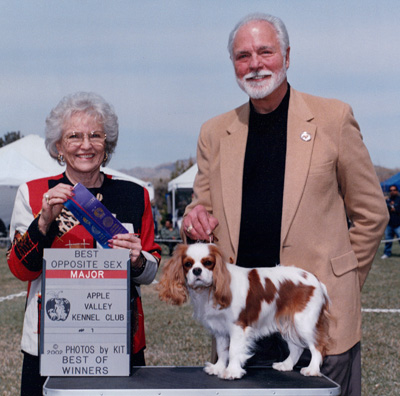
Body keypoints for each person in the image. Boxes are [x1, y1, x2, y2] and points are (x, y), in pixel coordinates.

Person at [182, 13, 388, 396]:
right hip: (242, 313)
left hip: (309, 308)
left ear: (287, 56)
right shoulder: (214, 132)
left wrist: (340, 281)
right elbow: (202, 206)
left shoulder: (333, 118)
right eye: (243, 56)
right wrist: (192, 218)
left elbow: (372, 213)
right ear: (233, 65)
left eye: (265, 52)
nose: (255, 64)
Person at [7, 92, 161, 396]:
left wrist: (138, 260)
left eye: (95, 136)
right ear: (59, 146)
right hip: (49, 342)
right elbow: (20, 269)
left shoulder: (134, 194)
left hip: (119, 340)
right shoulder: (35, 192)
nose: (86, 145)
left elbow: (151, 268)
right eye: (74, 136)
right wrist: (43, 224)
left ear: (108, 144)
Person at [381, 185, 400, 259]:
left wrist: (395, 209)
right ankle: (387, 253)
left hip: (398, 224)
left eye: (394, 190)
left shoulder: (399, 200)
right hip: (389, 224)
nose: (392, 191)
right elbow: (384, 210)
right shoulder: (387, 200)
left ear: (397, 190)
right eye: (391, 190)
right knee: (388, 240)